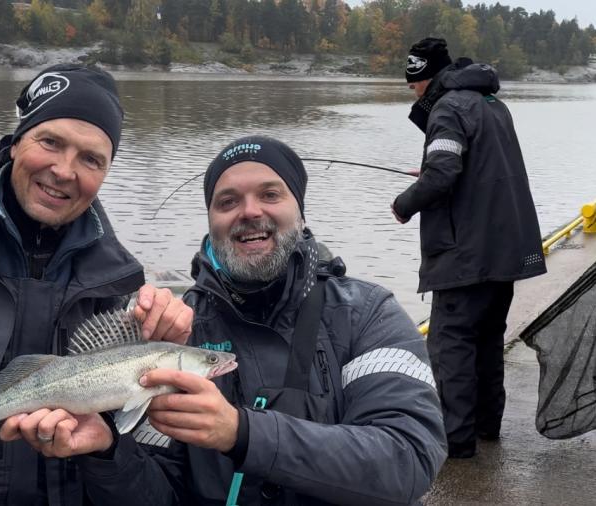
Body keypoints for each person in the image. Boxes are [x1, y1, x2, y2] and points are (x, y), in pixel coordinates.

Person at [0, 64, 193, 505]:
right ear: (15, 143)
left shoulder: (122, 288)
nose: (64, 171)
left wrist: (107, 448)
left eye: (90, 159)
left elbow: (151, 482)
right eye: (50, 142)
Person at [133, 135, 447, 505]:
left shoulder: (369, 313)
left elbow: (408, 458)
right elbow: (152, 486)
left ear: (300, 213)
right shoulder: (177, 329)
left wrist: (242, 433)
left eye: (270, 195)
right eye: (228, 201)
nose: (249, 211)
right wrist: (105, 453)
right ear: (211, 222)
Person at [391, 38, 546, 459]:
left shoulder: (447, 108)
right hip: (507, 249)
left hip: (467, 253)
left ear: (425, 77)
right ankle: (485, 427)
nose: (413, 93)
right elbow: (470, 165)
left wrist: (404, 203)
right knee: (487, 339)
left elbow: (443, 173)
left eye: (413, 85)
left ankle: (455, 440)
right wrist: (430, 170)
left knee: (451, 343)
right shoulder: (491, 104)